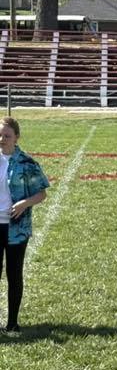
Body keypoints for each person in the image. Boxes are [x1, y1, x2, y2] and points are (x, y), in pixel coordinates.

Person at [0, 117, 50, 333]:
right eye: (0, 135)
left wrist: (24, 203)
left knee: (14, 273)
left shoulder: (27, 163)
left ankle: (12, 322)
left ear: (17, 138)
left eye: (7, 136)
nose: (2, 139)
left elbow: (42, 193)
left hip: (16, 228)